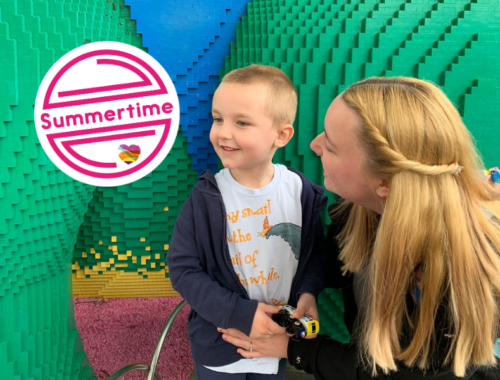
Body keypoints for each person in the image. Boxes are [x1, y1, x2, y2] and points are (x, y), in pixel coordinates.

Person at [220, 76, 500, 379]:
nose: (314, 145)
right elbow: (335, 261)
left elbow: (402, 374)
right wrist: (305, 286)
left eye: (332, 144)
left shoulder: (463, 272)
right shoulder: (356, 211)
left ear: (384, 182)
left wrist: (295, 350)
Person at [168, 64, 328, 379]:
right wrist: (239, 314)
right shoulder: (206, 198)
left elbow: (315, 255)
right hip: (221, 344)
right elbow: (183, 269)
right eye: (218, 119)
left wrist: (309, 292)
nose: (223, 132)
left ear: (281, 135)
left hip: (278, 342)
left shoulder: (302, 193)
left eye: (241, 122)